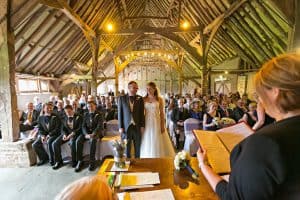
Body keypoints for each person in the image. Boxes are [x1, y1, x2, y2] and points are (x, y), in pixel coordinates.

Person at [197, 53, 300, 199]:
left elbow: (233, 197)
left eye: (259, 95)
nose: (259, 101)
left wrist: (204, 165)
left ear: (275, 92)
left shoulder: (264, 143)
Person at [140, 82, 175, 158]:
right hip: (147, 121)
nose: (148, 90)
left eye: (150, 88)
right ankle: (148, 156)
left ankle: (158, 156)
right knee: (147, 138)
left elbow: (162, 113)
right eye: (147, 88)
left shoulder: (159, 99)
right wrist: (141, 125)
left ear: (154, 89)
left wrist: (162, 125)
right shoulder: (143, 99)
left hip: (157, 121)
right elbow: (141, 114)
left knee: (157, 138)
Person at [118, 81, 145, 158]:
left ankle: (138, 163)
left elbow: (141, 114)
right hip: (126, 127)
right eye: (134, 87)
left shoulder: (140, 99)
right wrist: (120, 126)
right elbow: (120, 113)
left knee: (138, 147)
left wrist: (142, 126)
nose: (136, 89)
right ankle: (128, 163)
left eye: (137, 88)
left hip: (137, 126)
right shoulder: (121, 98)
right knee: (127, 147)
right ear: (129, 88)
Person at [52, 105, 84, 171]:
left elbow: (80, 128)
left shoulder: (79, 116)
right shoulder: (64, 117)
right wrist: (64, 134)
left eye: (69, 111)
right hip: (67, 134)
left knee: (73, 143)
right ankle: (58, 161)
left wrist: (72, 134)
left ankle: (78, 161)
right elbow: (62, 128)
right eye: (66, 112)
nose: (67, 113)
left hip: (77, 133)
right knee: (55, 143)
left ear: (72, 110)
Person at [82, 101, 104, 171]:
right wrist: (86, 134)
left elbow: (99, 126)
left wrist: (93, 134)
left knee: (92, 141)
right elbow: (83, 126)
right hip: (87, 134)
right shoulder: (85, 114)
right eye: (88, 106)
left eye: (91, 106)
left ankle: (92, 163)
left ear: (95, 106)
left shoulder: (99, 114)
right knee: (78, 140)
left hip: (97, 133)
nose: (90, 108)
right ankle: (79, 161)